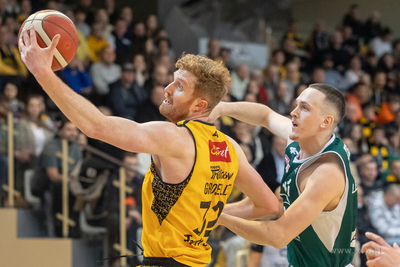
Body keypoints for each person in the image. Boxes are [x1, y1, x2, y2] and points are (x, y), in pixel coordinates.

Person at [19, 26, 280, 267]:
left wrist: (43, 73)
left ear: (200, 105)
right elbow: (269, 205)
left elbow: (96, 126)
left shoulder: (174, 137)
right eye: (171, 81)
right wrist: (215, 215)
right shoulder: (230, 148)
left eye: (179, 86)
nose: (167, 89)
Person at [209, 83, 358, 266]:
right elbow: (265, 116)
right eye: (296, 105)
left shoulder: (326, 173)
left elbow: (278, 235)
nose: (293, 112)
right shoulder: (301, 138)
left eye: (304, 108)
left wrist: (220, 218)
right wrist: (222, 107)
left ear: (326, 121)